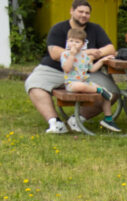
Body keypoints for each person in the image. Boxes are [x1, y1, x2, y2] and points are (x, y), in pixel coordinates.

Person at [24, 0, 118, 135]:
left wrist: (97, 54)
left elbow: (110, 48)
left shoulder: (95, 29)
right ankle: (55, 122)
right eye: (80, 11)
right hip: (56, 69)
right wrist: (87, 52)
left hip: (85, 72)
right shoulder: (58, 28)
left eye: (87, 13)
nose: (84, 15)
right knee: (33, 84)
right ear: (71, 11)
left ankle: (77, 119)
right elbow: (55, 53)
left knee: (112, 93)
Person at [60, 28, 120, 132]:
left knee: (107, 94)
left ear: (83, 44)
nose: (73, 44)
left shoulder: (85, 56)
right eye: (71, 41)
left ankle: (108, 119)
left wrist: (101, 61)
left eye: (77, 42)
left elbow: (91, 69)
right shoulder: (65, 54)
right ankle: (100, 91)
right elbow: (67, 68)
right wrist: (72, 55)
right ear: (67, 42)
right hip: (72, 83)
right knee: (81, 86)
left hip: (86, 82)